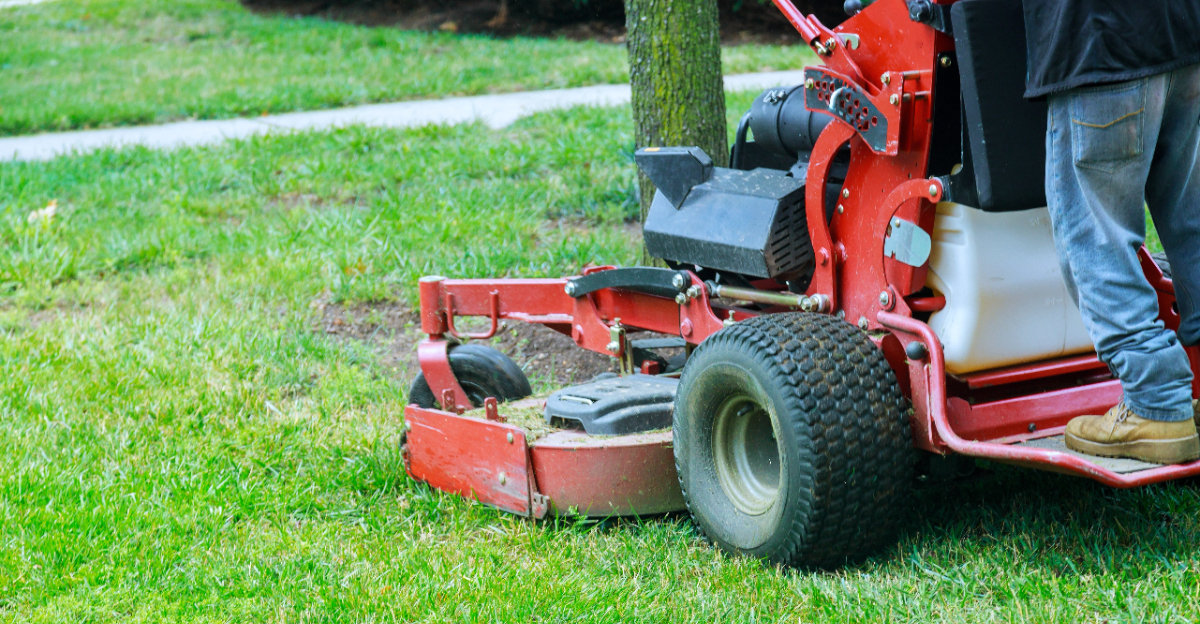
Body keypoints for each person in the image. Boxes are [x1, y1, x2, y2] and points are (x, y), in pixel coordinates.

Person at [1022, 0, 1200, 464]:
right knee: (1191, 219)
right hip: (1182, 33)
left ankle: (1156, 401)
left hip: (1098, 39)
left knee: (1096, 233)